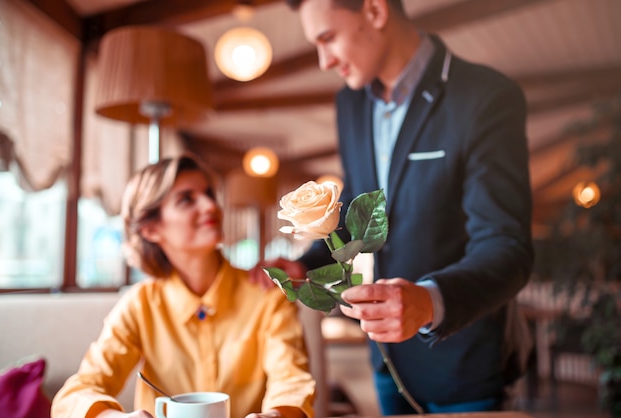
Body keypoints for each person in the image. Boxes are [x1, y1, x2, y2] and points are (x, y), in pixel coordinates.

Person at [252, 0, 534, 414]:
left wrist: (430, 300)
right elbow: (359, 210)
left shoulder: (485, 97)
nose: (324, 60)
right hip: (386, 364)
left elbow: (507, 248)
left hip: (464, 370)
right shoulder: (350, 105)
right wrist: (305, 265)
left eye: (328, 38)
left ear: (375, 11)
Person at [52, 154, 315, 418]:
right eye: (186, 199)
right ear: (151, 229)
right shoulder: (140, 304)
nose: (211, 205)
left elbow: (291, 382)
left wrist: (275, 416)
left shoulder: (267, 295)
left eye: (209, 193)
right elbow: (76, 393)